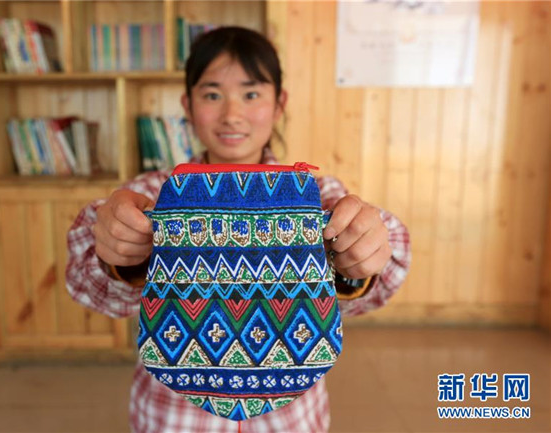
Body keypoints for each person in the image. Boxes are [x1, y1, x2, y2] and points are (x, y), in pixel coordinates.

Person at [66, 26, 411, 433]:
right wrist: (119, 252)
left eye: (251, 94)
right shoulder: (153, 194)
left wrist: (359, 256)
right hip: (172, 419)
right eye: (212, 95)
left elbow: (380, 272)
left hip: (291, 421)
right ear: (188, 105)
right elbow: (90, 285)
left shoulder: (319, 196)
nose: (231, 114)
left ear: (279, 104)